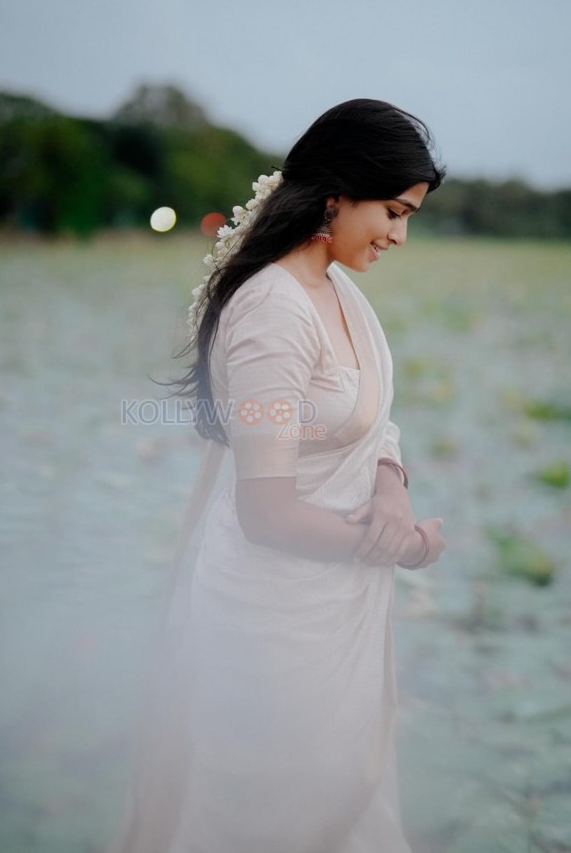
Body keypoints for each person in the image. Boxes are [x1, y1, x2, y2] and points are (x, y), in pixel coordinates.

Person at [107, 99, 447, 853]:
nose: (399, 235)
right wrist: (406, 546)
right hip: (275, 624)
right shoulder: (270, 311)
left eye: (409, 216)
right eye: (392, 211)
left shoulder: (341, 292)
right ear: (335, 194)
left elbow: (373, 414)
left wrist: (391, 486)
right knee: (264, 820)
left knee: (350, 812)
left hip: (340, 606)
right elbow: (267, 512)